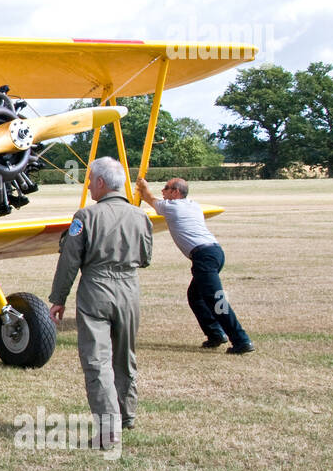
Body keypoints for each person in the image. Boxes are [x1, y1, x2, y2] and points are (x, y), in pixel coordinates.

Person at [49, 157, 153, 449]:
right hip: (130, 289)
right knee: (125, 355)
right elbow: (145, 258)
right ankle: (126, 414)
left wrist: (58, 299)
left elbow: (69, 261)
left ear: (101, 183)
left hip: (96, 288)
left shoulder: (86, 216)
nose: (89, 185)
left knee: (96, 360)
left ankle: (109, 430)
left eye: (91, 179)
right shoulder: (141, 217)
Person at [135, 175, 254, 354]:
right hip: (214, 252)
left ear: (175, 192)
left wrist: (142, 185)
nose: (163, 191)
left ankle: (241, 340)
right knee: (196, 296)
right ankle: (215, 334)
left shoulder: (172, 207)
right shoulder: (192, 204)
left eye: (166, 188)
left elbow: (149, 198)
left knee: (217, 301)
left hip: (204, 256)